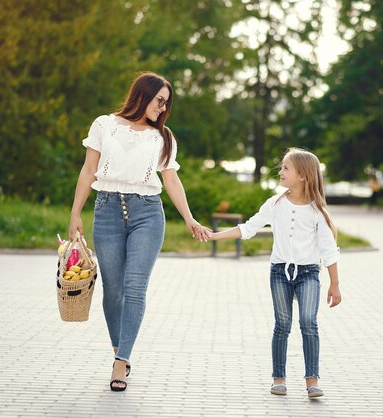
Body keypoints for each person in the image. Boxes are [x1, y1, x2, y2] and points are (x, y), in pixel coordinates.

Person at [68, 72, 210, 392]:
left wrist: (189, 218)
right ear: (142, 95)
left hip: (148, 213)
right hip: (106, 212)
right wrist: (75, 212)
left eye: (166, 103)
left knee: (134, 287)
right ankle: (121, 348)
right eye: (160, 100)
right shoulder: (104, 125)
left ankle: (122, 361)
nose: (163, 108)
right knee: (113, 290)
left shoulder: (163, 138)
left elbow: (171, 179)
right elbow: (88, 170)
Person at [208, 148, 342, 399]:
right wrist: (215, 235)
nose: (280, 172)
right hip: (280, 272)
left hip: (309, 273)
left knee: (308, 323)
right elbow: (248, 228)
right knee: (282, 325)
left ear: (303, 175)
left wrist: (335, 284)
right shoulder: (275, 204)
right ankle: (278, 377)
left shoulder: (317, 210)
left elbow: (328, 249)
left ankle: (312, 379)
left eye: (286, 168)